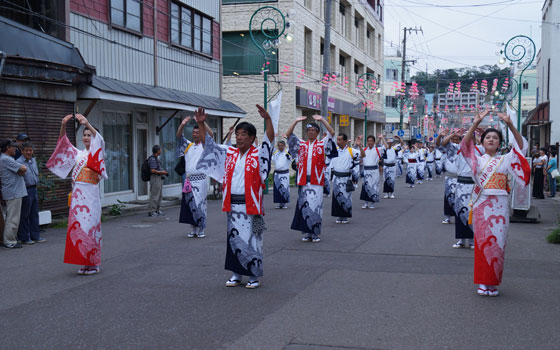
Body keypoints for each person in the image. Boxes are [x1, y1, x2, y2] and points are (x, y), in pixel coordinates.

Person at [195, 105, 273, 289]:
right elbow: (210, 147)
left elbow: (269, 139)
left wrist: (268, 120)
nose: (239, 137)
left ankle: (253, 276)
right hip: (233, 205)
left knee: (253, 240)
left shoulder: (258, 154)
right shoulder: (230, 153)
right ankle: (236, 274)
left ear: (252, 138)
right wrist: (202, 123)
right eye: (237, 134)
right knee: (234, 239)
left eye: (243, 134)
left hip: (251, 206)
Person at [462, 110, 530, 297]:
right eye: (487, 137)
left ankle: (493, 283)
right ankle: (483, 282)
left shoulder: (505, 160)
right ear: (482, 142)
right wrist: (475, 123)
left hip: (500, 206)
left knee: (498, 244)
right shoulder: (476, 160)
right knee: (483, 243)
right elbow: (465, 145)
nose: (491, 140)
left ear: (500, 143)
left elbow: (522, 147)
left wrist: (510, 125)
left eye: (495, 138)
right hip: (482, 205)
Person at [46, 114, 107, 274]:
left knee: (90, 226)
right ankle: (83, 262)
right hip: (78, 195)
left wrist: (87, 123)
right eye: (84, 135)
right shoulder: (78, 154)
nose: (86, 138)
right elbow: (63, 144)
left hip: (91, 194)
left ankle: (93, 263)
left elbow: (99, 140)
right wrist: (63, 125)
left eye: (89, 135)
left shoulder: (97, 153)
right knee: (78, 228)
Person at [286, 115, 336, 242]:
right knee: (304, 205)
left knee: (315, 206)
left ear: (318, 133)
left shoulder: (321, 144)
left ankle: (315, 233)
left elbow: (332, 132)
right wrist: (296, 121)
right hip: (304, 181)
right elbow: (288, 134)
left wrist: (322, 120)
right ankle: (307, 232)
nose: (310, 132)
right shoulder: (302, 144)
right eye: (308, 130)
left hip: (316, 181)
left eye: (313, 130)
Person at [441, 126, 485, 249]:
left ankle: (472, 240)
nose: (467, 139)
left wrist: (482, 134)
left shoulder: (480, 149)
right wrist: (453, 134)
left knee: (473, 212)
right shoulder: (457, 148)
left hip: (474, 184)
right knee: (460, 211)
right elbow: (443, 143)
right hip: (460, 184)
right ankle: (461, 239)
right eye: (464, 137)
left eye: (469, 137)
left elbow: (492, 146)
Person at [176, 115, 214, 238]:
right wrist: (182, 124)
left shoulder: (204, 146)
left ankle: (201, 228)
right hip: (189, 180)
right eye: (194, 132)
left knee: (200, 204)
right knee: (190, 204)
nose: (195, 134)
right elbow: (179, 136)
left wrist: (203, 123)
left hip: (201, 180)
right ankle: (193, 228)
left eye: (198, 132)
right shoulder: (188, 146)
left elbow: (211, 134)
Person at [0, 139, 27, 249]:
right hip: (13, 192)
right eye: (13, 147)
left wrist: (20, 171)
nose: (16, 148)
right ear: (7, 148)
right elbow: (23, 168)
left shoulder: (6, 159)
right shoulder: (6, 159)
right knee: (13, 218)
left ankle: (9, 239)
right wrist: (20, 170)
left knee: (10, 216)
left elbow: (21, 171)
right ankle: (10, 241)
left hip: (12, 191)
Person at [17, 142, 45, 244]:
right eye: (27, 150)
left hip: (34, 189)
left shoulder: (33, 160)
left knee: (34, 214)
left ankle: (36, 236)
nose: (29, 152)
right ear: (22, 151)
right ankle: (25, 237)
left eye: (30, 150)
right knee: (25, 214)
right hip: (25, 189)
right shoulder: (19, 162)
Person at [330, 134, 361, 224]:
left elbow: (362, 155)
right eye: (337, 140)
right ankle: (339, 216)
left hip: (346, 178)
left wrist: (360, 146)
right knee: (337, 197)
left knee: (346, 197)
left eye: (340, 140)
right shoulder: (334, 150)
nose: (338, 141)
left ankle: (345, 216)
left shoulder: (351, 151)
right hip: (336, 178)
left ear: (345, 141)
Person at [436, 131, 460, 225]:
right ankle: (448, 217)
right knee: (448, 197)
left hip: (460, 178)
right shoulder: (447, 148)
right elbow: (439, 144)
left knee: (459, 198)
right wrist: (440, 136)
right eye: (453, 139)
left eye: (457, 139)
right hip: (449, 177)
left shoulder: (463, 148)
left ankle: (459, 216)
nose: (454, 141)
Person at [359, 135, 384, 209]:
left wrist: (381, 138)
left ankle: (372, 202)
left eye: (371, 141)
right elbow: (356, 149)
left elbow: (386, 147)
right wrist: (358, 141)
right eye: (368, 141)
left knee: (374, 186)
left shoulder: (377, 149)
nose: (370, 142)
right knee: (366, 186)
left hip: (374, 171)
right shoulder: (365, 149)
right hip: (366, 170)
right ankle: (366, 202)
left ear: (374, 142)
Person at [148, 145, 168, 217]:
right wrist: (163, 172)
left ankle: (157, 209)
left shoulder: (157, 159)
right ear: (157, 151)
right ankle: (152, 211)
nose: (161, 151)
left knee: (160, 195)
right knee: (155, 195)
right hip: (155, 178)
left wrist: (162, 172)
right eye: (160, 149)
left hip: (159, 178)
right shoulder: (152, 159)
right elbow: (152, 170)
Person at [272, 140, 292, 209]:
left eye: (281, 145)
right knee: (277, 188)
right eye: (279, 145)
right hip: (277, 173)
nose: (280, 147)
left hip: (284, 173)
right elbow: (273, 160)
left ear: (284, 146)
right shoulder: (276, 153)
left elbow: (290, 160)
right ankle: (279, 203)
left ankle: (283, 203)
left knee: (284, 188)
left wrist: (288, 157)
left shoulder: (287, 152)